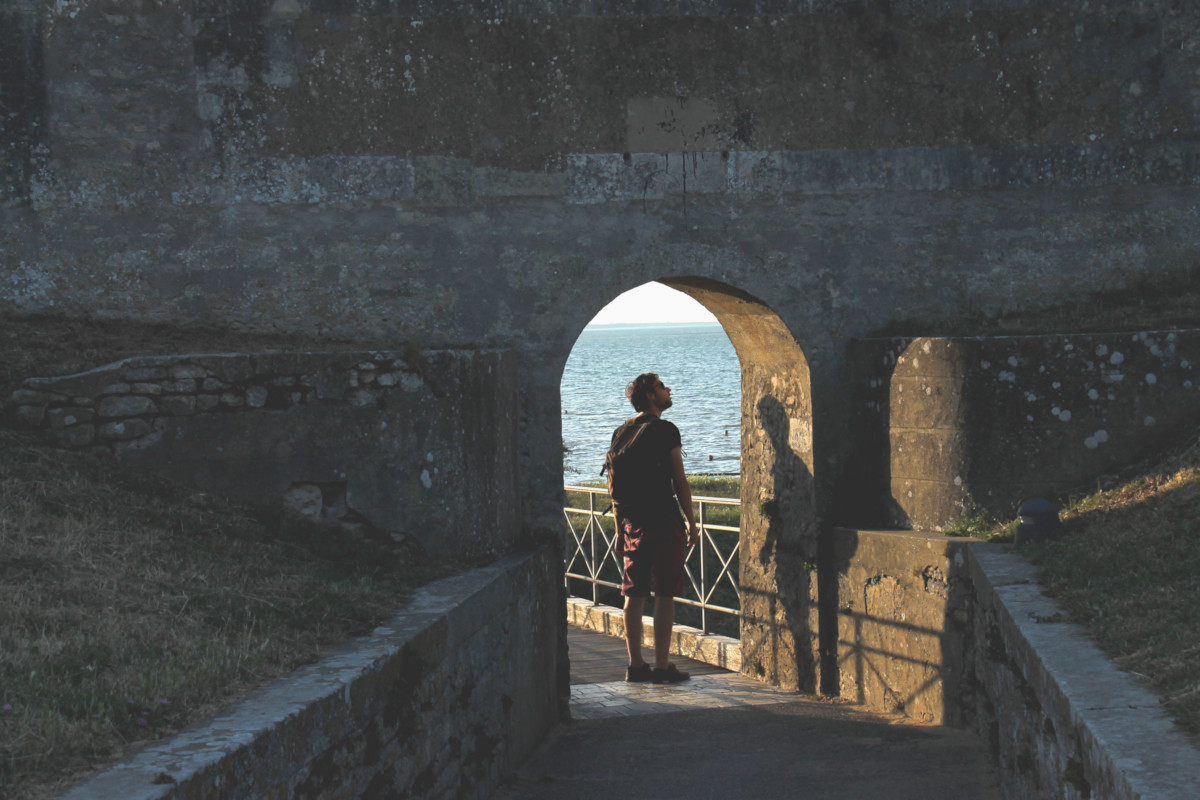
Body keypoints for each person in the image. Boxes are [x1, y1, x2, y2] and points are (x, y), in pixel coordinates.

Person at [607, 372, 700, 683]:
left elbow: (613, 487)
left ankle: (635, 665)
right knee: (664, 594)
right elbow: (680, 480)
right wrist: (691, 520)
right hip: (663, 520)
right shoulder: (665, 430)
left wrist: (620, 528)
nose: (667, 389)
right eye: (661, 386)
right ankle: (662, 666)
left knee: (633, 595)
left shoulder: (622, 431)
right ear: (649, 394)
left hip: (633, 523)